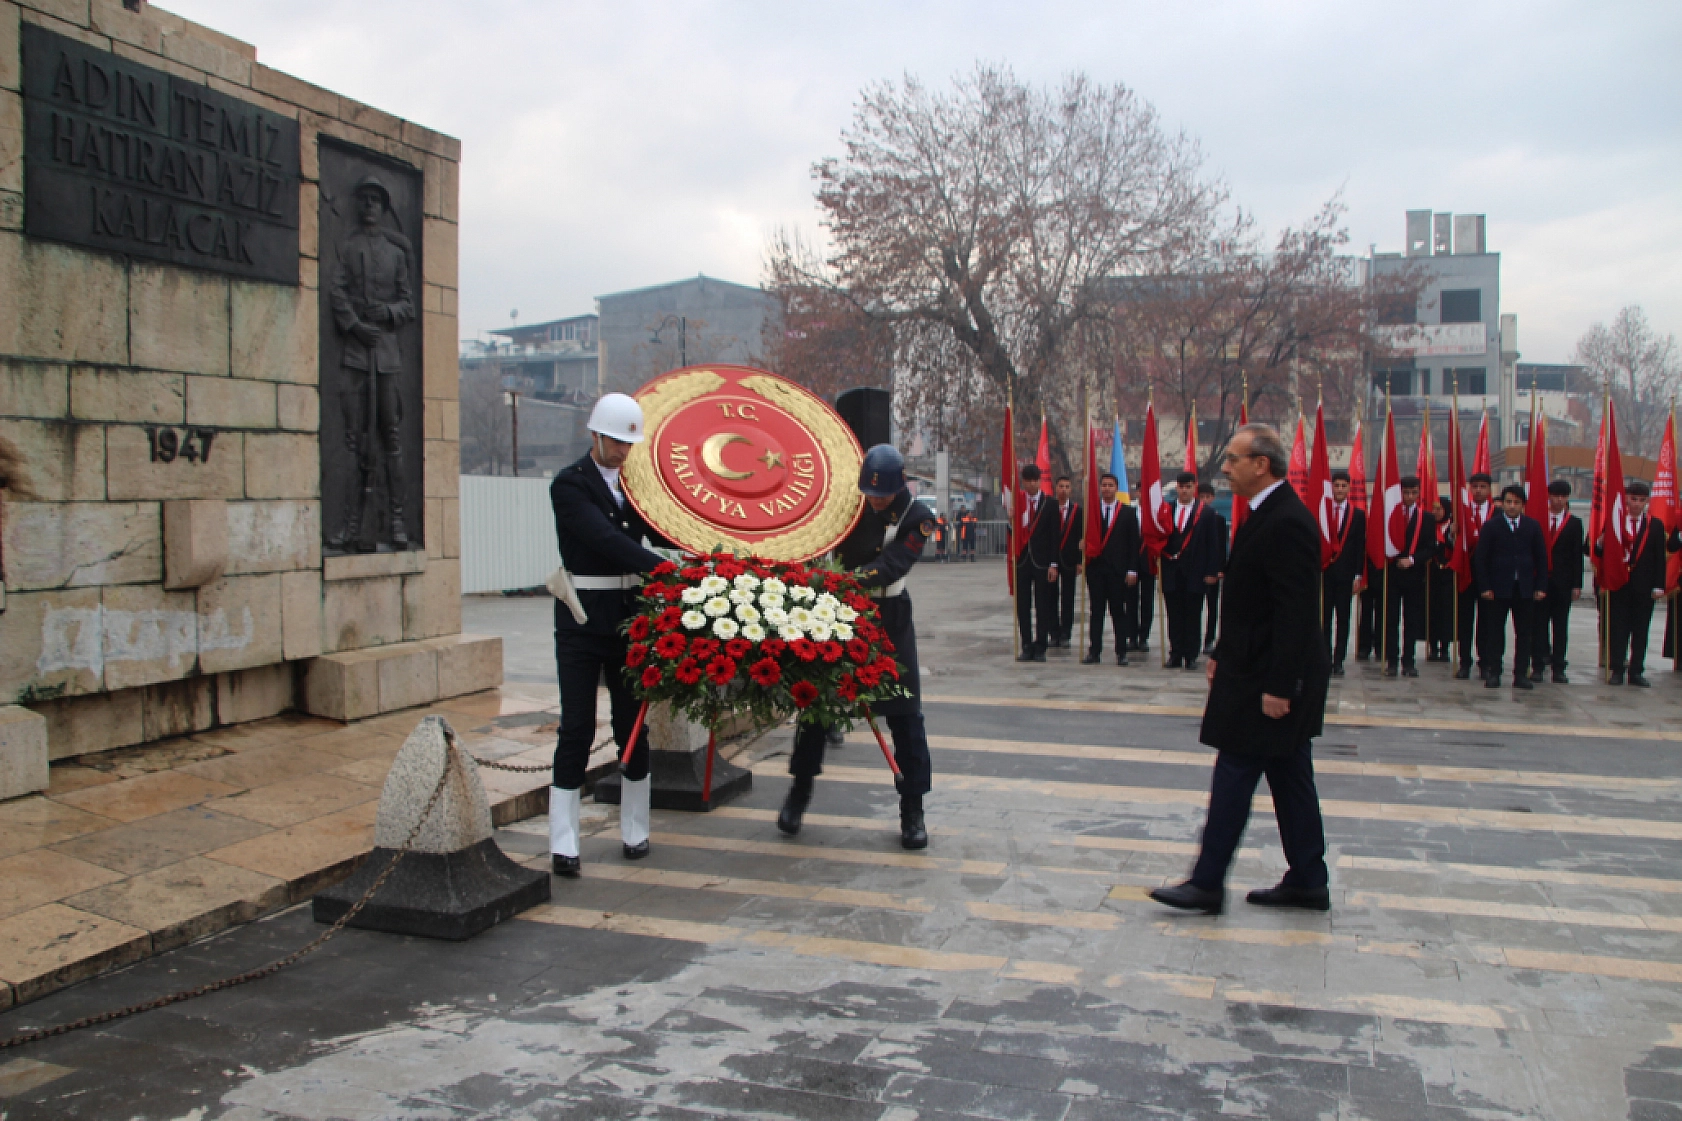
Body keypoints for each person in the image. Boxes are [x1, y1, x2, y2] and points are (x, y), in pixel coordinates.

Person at [1149, 423, 1331, 915]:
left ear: (1261, 465)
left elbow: (1295, 612)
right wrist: (1220, 652)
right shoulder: (1265, 513)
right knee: (1290, 776)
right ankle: (1309, 878)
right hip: (1251, 667)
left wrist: (1281, 686)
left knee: (1235, 772)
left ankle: (1208, 882)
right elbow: (1251, 601)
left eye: (1233, 459)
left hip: (1269, 679)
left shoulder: (1287, 520)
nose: (1224, 469)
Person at [779, 444, 935, 849]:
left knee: (905, 714)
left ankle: (912, 807)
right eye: (870, 492)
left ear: (901, 485)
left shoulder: (918, 517)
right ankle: (799, 791)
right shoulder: (851, 507)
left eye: (882, 494)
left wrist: (844, 580)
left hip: (889, 619)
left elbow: (892, 566)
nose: (875, 500)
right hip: (842, 615)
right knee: (816, 706)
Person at [547, 393, 670, 877]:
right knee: (576, 727)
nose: (622, 452)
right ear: (594, 434)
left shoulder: (636, 487)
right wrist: (661, 569)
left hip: (627, 621)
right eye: (616, 441)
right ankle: (563, 840)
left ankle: (636, 828)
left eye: (629, 443)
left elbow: (659, 529)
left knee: (632, 725)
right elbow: (605, 539)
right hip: (580, 621)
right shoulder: (569, 485)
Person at [327, 175, 415, 551]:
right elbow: (337, 291)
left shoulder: (396, 254)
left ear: (383, 208)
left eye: (375, 202)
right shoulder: (348, 247)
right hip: (356, 353)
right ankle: (349, 523)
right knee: (352, 441)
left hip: (387, 357)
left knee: (391, 439)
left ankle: (396, 520)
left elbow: (408, 304)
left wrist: (389, 312)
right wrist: (355, 326)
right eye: (362, 200)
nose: (368, 207)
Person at [1473, 485, 1549, 690]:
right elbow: (1481, 559)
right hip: (1498, 588)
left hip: (1524, 588)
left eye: (1516, 502)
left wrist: (1541, 585)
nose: (1512, 506)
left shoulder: (1532, 526)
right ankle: (1494, 672)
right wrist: (1485, 586)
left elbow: (1541, 558)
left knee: (1524, 634)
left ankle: (1521, 674)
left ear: (1523, 505)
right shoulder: (1492, 526)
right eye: (1508, 502)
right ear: (1503, 503)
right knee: (1495, 632)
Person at [1603, 480, 1668, 686]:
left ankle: (1636, 670)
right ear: (1626, 499)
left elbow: (1660, 558)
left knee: (1640, 630)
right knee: (1618, 629)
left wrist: (1659, 585)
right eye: (1633, 499)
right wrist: (1599, 544)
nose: (1637, 504)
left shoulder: (1655, 525)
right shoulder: (1615, 521)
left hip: (1644, 586)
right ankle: (1617, 669)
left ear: (1647, 501)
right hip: (1620, 584)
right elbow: (1599, 553)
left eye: (1642, 500)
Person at [1160, 472, 1223, 670]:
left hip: (1195, 571)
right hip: (1172, 569)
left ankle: (1191, 654)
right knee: (1174, 614)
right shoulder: (1167, 510)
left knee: (1193, 615)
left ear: (1194, 488)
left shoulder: (1205, 513)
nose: (1184, 490)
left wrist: (1212, 571)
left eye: (1188, 487)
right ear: (1176, 488)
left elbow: (1213, 544)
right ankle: (1175, 653)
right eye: (1181, 487)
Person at [1082, 473, 1139, 666]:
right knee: (1096, 612)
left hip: (1118, 571)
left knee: (1118, 612)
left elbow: (1133, 544)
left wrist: (1132, 570)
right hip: (1096, 570)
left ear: (1117, 488)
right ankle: (1094, 651)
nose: (1106, 488)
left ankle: (1121, 652)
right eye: (1104, 485)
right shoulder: (1091, 512)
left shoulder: (1127, 513)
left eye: (1110, 485)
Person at [1382, 476, 1437, 678]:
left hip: (1414, 576)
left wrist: (1413, 560)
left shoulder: (1427, 518)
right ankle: (1392, 661)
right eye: (1406, 492)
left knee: (1411, 621)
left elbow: (1430, 548)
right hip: (1393, 575)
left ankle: (1409, 661)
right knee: (1391, 620)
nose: (1410, 497)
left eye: (1414, 492)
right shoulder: (1392, 514)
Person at [1532, 480, 1584, 683]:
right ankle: (1537, 664)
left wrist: (1577, 584)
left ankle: (1559, 666)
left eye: (1563, 497)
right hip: (1541, 581)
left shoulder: (1574, 523)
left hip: (1563, 583)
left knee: (1560, 626)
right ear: (1549, 496)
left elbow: (1576, 556)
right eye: (1556, 496)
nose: (1559, 500)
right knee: (1538, 625)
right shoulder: (1538, 520)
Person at [1320, 471, 1366, 676]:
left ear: (1349, 488)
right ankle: (1325, 658)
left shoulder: (1357, 515)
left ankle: (1339, 660)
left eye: (1343, 486)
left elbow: (1359, 547)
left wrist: (1358, 575)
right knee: (1325, 618)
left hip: (1346, 575)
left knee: (1343, 618)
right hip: (1325, 573)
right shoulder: (1323, 512)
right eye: (1336, 486)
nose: (1339, 490)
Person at [1014, 465, 1059, 662]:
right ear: (1023, 481)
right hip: (1023, 561)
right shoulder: (1019, 502)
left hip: (1042, 562)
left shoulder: (1050, 504)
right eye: (1028, 480)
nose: (1032, 484)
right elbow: (1012, 533)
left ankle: (1041, 646)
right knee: (1023, 606)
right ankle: (1026, 644)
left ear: (1040, 481)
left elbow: (1054, 536)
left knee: (1043, 605)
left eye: (1035, 480)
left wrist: (1053, 563)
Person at [1454, 473, 1495, 680]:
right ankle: (1464, 662)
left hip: (1489, 576)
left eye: (1483, 486)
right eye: (1475, 486)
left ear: (1489, 490)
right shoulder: (1461, 511)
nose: (1478, 490)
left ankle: (1485, 663)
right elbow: (1449, 542)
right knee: (1465, 621)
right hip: (1467, 572)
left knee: (1486, 622)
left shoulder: (1497, 513)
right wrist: (1452, 533)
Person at [1199, 482, 1229, 656]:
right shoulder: (1193, 517)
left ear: (1212, 498)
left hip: (1213, 570)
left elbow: (1220, 546)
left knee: (1212, 607)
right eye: (1201, 497)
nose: (1204, 500)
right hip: (1196, 570)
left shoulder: (1219, 520)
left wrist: (1220, 568)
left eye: (1206, 497)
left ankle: (1209, 639)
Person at [1054, 475, 1084, 648]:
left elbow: (1081, 537)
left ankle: (1066, 632)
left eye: (1066, 487)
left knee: (1068, 597)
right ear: (1056, 488)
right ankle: (1054, 631)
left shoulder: (1077, 511)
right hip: (1052, 560)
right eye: (1060, 486)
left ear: (1071, 490)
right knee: (1051, 597)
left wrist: (1080, 561)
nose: (1063, 490)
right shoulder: (1050, 508)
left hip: (1070, 560)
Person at [1427, 498, 1456, 663]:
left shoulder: (1452, 526)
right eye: (1434, 509)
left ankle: (1445, 647)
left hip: (1448, 575)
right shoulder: (1428, 527)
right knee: (1432, 611)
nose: (1436, 512)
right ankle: (1433, 647)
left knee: (1447, 612)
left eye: (1440, 509)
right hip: (1432, 575)